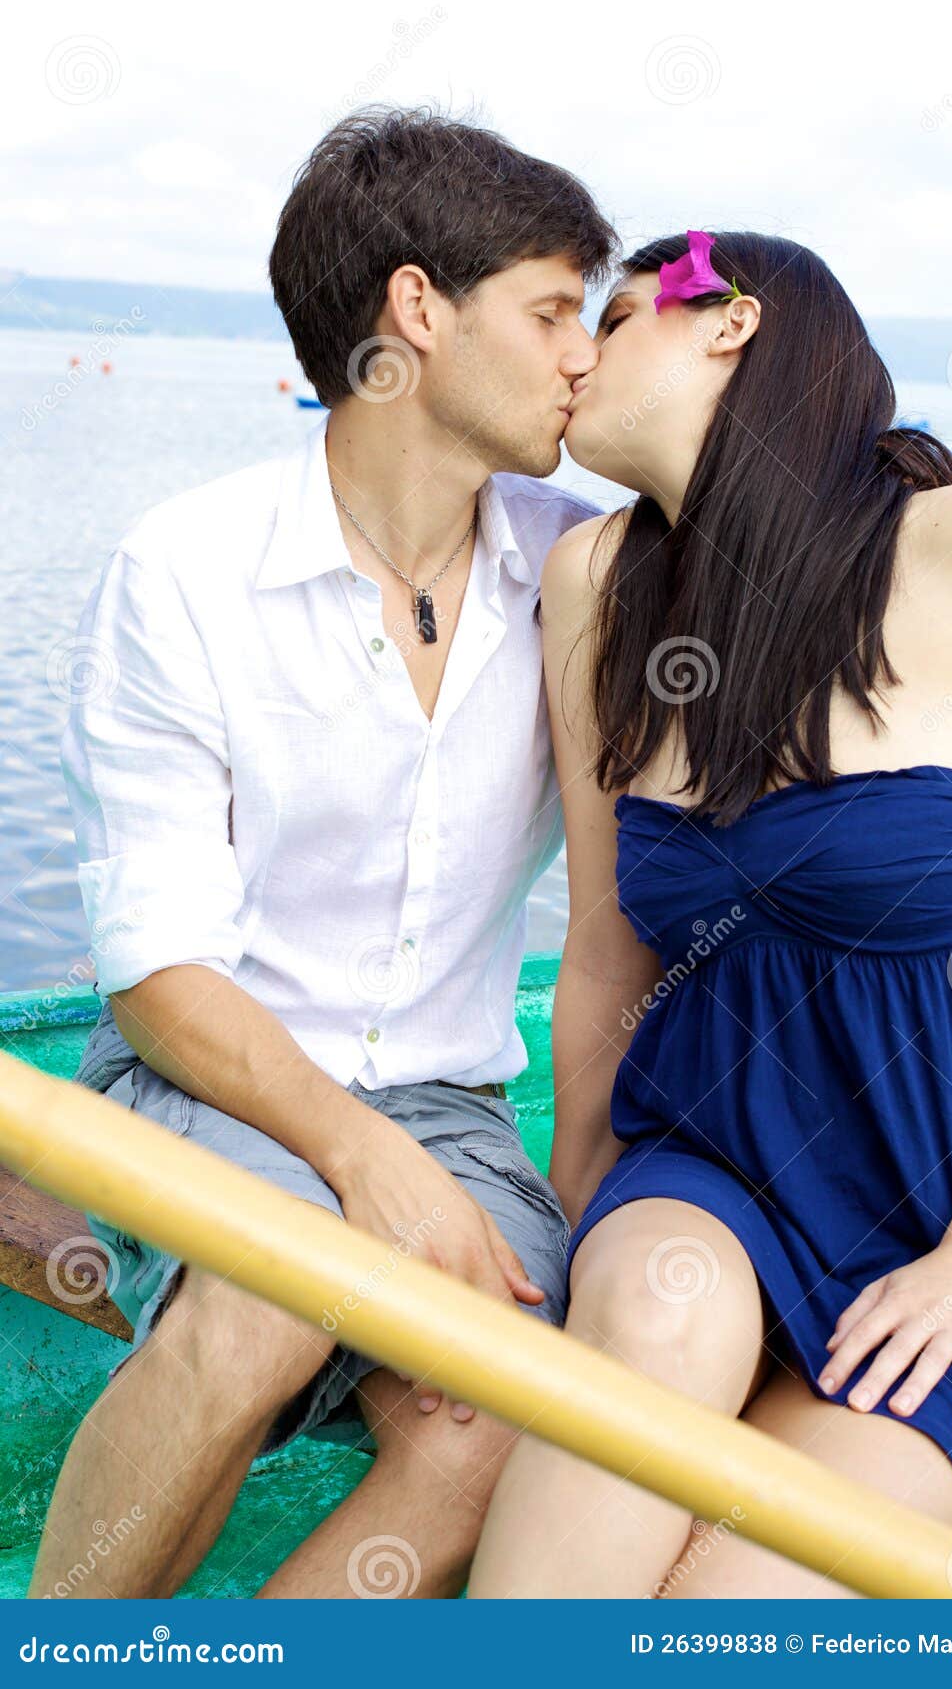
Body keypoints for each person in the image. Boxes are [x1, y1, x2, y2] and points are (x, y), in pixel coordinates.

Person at [29, 106, 616, 1601]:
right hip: (206, 1064)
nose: (583, 359)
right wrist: (369, 1171)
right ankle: (73, 1642)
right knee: (274, 1292)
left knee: (505, 1413)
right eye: (553, 311)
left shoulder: (582, 568)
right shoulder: (186, 570)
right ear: (418, 311)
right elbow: (160, 975)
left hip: (451, 1095)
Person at [467, 229, 952, 1599]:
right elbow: (609, 945)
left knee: (728, 1597)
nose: (574, 357)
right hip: (705, 1175)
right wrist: (578, 1211)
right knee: (655, 1329)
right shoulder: (598, 585)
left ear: (727, 324)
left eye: (610, 320)